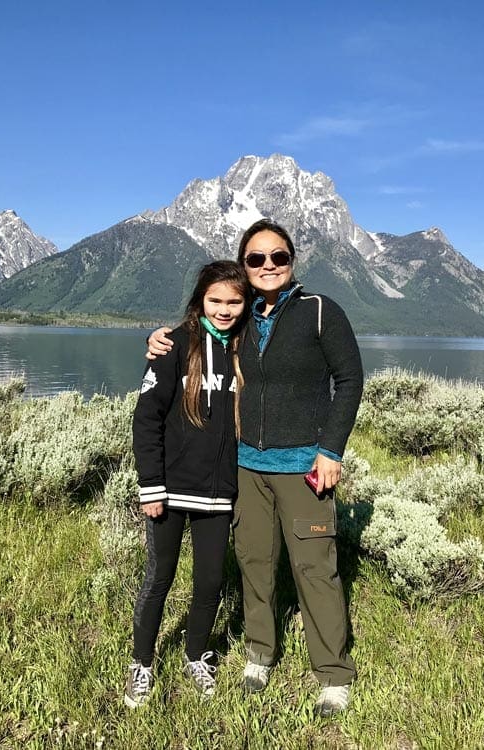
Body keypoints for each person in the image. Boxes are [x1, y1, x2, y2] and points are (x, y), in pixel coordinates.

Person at [147, 219, 363, 717]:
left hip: (303, 466)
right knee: (254, 562)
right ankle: (259, 654)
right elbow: (199, 330)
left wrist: (331, 451)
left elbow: (349, 379)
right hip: (244, 465)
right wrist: (159, 340)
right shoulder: (241, 316)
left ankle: (332, 673)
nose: (268, 266)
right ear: (244, 266)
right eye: (256, 259)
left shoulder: (319, 312)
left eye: (278, 257)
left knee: (315, 567)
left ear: (292, 261)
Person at [125, 260, 251, 709]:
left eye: (234, 301)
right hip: (171, 492)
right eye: (215, 301)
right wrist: (151, 485)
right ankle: (142, 662)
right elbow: (147, 419)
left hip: (219, 493)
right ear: (199, 301)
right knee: (158, 578)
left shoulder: (246, 347)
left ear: (245, 303)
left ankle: (197, 655)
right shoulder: (174, 346)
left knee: (210, 584)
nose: (224, 309)